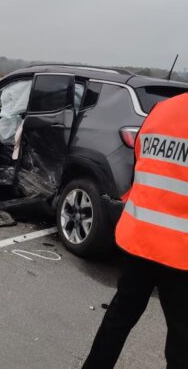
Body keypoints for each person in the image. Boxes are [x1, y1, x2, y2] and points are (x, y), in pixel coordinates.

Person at [82, 92, 188, 369]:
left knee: (119, 319)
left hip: (139, 237)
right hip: (180, 252)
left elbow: (142, 161)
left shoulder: (162, 110)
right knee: (182, 340)